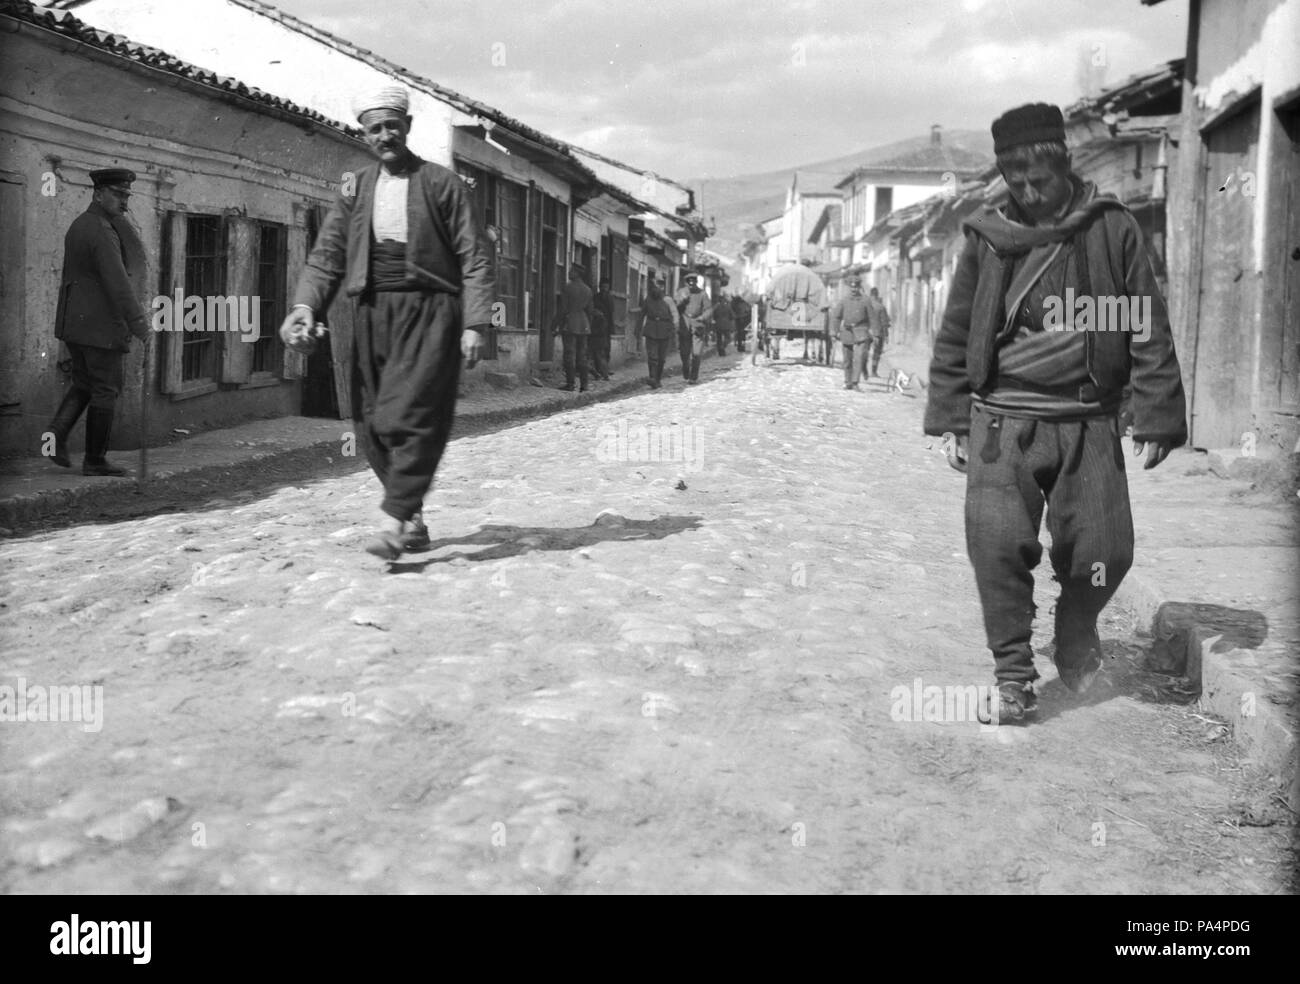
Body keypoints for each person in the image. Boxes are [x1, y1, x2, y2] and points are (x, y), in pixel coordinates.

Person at [924, 102, 1187, 722]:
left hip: (1088, 419)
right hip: (1001, 421)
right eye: (1015, 180)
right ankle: (1013, 677)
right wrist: (953, 416)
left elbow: (1144, 323)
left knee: (1107, 550)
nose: (1029, 191)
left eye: (1039, 178)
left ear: (1065, 164)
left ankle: (1075, 629)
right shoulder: (988, 238)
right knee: (996, 549)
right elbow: (958, 329)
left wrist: (1156, 412)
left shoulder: (1111, 228)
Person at [280, 84, 494, 561]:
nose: (384, 135)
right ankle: (411, 513)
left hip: (431, 310)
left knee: (413, 413)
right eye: (374, 129)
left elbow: (475, 257)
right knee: (372, 421)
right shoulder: (355, 186)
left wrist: (476, 322)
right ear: (364, 134)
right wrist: (305, 307)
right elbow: (328, 254)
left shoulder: (444, 184)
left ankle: (394, 520)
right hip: (371, 311)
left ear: (408, 127)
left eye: (391, 126)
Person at [47, 168, 151, 477]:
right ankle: (94, 460)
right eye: (118, 195)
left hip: (75, 325)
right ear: (98, 194)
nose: (124, 202)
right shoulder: (103, 231)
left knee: (84, 383)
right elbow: (119, 285)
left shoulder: (80, 225)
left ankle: (55, 433)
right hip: (100, 329)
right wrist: (140, 326)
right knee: (105, 389)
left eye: (126, 196)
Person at [830, 276, 872, 390]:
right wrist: (834, 331)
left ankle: (855, 382)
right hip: (847, 332)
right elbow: (836, 317)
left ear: (859, 287)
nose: (854, 290)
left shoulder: (866, 300)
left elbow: (872, 317)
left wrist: (874, 332)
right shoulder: (844, 300)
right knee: (847, 359)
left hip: (861, 332)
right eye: (851, 287)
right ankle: (847, 381)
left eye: (856, 287)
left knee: (858, 358)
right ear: (849, 288)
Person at [557, 264, 594, 392]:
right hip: (584, 324)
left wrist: (556, 325)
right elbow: (590, 311)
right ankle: (584, 385)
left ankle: (570, 384)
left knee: (569, 355)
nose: (569, 273)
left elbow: (563, 309)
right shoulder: (588, 290)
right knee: (582, 356)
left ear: (577, 273)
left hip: (570, 322)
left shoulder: (568, 288)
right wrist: (588, 326)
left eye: (571, 271)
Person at [636, 276, 676, 388]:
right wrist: (637, 329)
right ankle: (652, 377)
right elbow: (641, 314)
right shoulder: (648, 299)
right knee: (652, 356)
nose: (657, 289)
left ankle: (657, 379)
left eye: (660, 286)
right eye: (655, 286)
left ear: (663, 287)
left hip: (665, 330)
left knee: (662, 358)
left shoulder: (668, 300)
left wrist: (674, 330)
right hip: (651, 330)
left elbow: (674, 314)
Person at [675, 272, 712, 383]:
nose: (691, 283)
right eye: (689, 281)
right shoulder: (681, 292)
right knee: (684, 352)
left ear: (696, 282)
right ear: (686, 282)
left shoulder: (702, 294)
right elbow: (675, 308)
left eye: (693, 281)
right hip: (684, 323)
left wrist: (703, 317)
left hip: (698, 324)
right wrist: (682, 301)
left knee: (697, 353)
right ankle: (686, 368)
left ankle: (693, 376)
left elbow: (709, 309)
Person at [590, 277, 614, 380]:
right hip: (597, 326)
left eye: (606, 287)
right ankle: (599, 370)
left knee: (606, 349)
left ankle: (605, 369)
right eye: (603, 287)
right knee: (597, 350)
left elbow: (611, 313)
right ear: (600, 287)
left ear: (608, 288)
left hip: (606, 327)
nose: (604, 289)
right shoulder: (595, 297)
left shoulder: (610, 298)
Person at [865, 287, 891, 379]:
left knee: (865, 351)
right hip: (878, 333)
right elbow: (884, 322)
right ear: (877, 295)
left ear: (870, 295)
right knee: (876, 353)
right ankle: (874, 371)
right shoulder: (881, 307)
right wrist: (887, 335)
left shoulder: (865, 305)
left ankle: (864, 370)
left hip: (866, 332)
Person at [712, 289, 734, 356]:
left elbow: (714, 315)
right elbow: (732, 316)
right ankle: (723, 346)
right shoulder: (728, 306)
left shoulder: (716, 306)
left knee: (719, 339)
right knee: (728, 338)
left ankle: (721, 352)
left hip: (718, 325)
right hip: (726, 325)